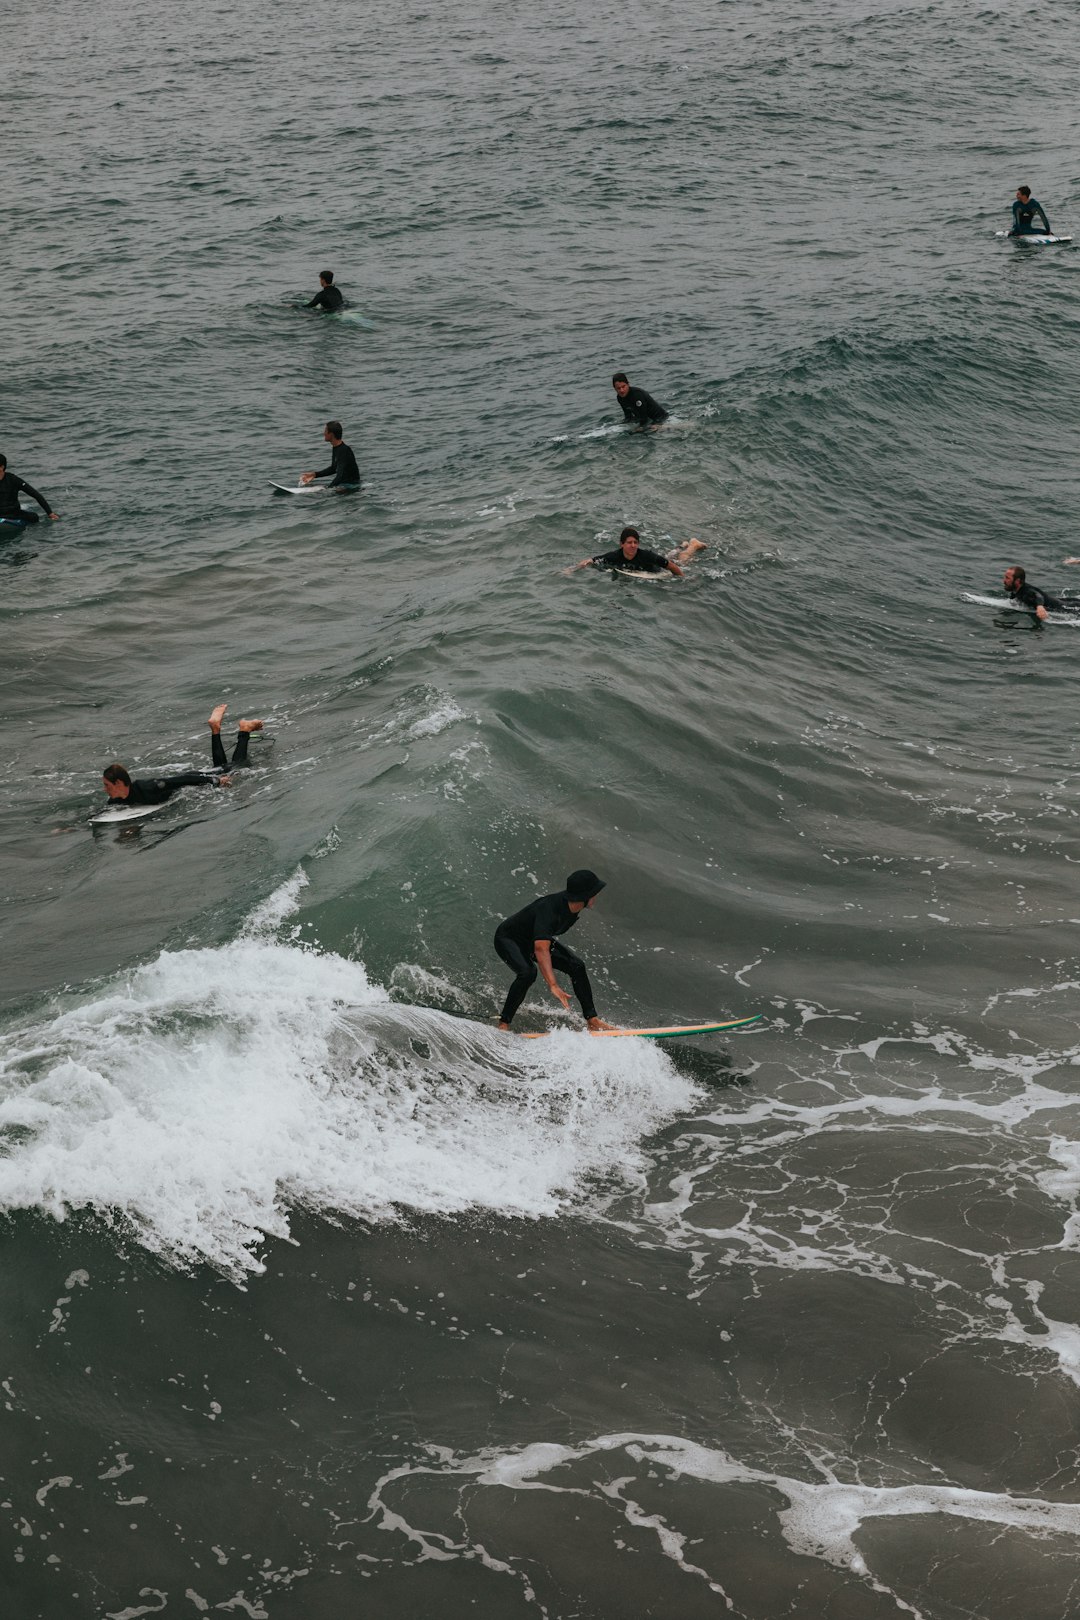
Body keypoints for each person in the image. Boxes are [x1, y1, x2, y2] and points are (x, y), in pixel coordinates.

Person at [494, 869, 614, 1031]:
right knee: (528, 973)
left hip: (531, 940)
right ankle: (504, 1023)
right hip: (509, 939)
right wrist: (553, 984)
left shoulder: (573, 907)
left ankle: (592, 1020)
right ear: (584, 896)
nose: (596, 896)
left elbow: (541, 943)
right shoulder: (550, 909)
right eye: (594, 893)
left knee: (576, 966)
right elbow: (541, 948)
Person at [101, 705, 263, 807]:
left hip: (196, 779)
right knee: (222, 767)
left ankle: (244, 730)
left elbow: (181, 779)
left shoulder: (147, 787)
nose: (105, 789)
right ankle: (217, 728)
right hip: (197, 779)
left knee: (239, 765)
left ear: (119, 783)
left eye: (107, 785)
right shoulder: (116, 799)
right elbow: (103, 812)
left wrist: (214, 781)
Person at [571, 525, 705, 577]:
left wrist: (683, 578)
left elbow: (671, 566)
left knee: (681, 561)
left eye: (635, 542)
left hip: (659, 569)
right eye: (629, 543)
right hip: (648, 567)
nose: (633, 545)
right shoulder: (614, 556)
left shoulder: (646, 555)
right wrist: (573, 569)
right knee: (670, 555)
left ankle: (693, 545)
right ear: (622, 544)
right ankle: (682, 545)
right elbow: (591, 560)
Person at [1001, 565, 1080, 621]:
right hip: (1060, 601)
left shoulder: (1027, 591)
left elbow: (1038, 596)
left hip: (1065, 607)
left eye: (1007, 578)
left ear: (1017, 581)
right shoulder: (1016, 591)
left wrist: (1039, 607)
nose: (1004, 581)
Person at [299, 421, 360, 489]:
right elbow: (334, 468)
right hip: (345, 484)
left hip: (351, 486)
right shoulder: (337, 448)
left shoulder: (344, 450)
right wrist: (315, 474)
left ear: (331, 434)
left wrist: (328, 489)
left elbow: (340, 475)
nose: (324, 433)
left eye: (325, 430)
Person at [0, 455, 59, 524]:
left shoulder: (13, 480)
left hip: (13, 514)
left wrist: (50, 513)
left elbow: (35, 494)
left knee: (34, 517)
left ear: (2, 467)